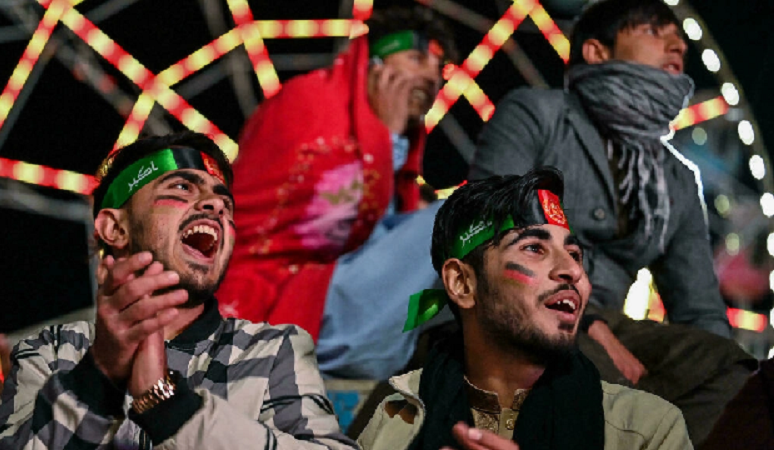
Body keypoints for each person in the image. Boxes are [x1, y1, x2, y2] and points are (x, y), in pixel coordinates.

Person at [468, 0, 755, 444]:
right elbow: (489, 227)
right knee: (588, 374)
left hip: (608, 327)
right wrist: (586, 321)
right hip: (512, 311)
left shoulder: (676, 178)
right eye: (653, 31)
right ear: (597, 52)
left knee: (730, 368)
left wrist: (731, 373)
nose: (676, 42)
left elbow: (699, 310)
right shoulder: (537, 115)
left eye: (677, 35)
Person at [0, 132, 357, 450]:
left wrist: (170, 407)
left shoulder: (274, 351)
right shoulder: (50, 352)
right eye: (181, 188)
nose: (215, 206)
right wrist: (98, 377)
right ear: (114, 229)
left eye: (225, 203)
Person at [357, 168, 693, 450]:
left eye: (575, 255)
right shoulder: (394, 415)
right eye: (534, 248)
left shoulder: (648, 430)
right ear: (462, 283)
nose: (573, 271)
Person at [216, 5, 457, 379]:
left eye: (438, 70)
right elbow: (334, 235)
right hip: (288, 305)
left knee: (475, 269)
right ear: (375, 62)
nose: (430, 76)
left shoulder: (402, 147)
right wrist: (387, 139)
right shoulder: (309, 104)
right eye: (415, 57)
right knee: (459, 219)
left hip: (347, 306)